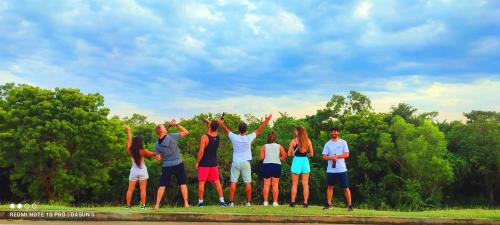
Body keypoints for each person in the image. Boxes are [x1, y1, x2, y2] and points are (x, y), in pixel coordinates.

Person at [218, 114, 272, 207]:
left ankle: (231, 202)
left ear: (238, 129)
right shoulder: (248, 137)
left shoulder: (234, 137)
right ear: (246, 130)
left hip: (236, 162)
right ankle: (248, 202)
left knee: (233, 182)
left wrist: (222, 123)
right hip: (246, 162)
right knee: (247, 182)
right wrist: (266, 120)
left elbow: (226, 130)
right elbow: (259, 129)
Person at [153, 120, 190, 209]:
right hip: (178, 163)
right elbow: (186, 132)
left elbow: (158, 158)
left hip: (166, 165)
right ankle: (186, 204)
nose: (165, 128)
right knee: (183, 183)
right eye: (163, 127)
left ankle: (157, 205)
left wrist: (159, 154)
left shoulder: (157, 145)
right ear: (161, 131)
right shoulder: (172, 136)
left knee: (162, 185)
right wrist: (176, 124)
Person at [123, 125, 161, 209]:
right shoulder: (143, 151)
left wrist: (129, 130)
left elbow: (129, 140)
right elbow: (154, 153)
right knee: (143, 189)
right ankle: (143, 206)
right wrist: (158, 154)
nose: (143, 142)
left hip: (134, 171)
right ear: (140, 143)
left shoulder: (130, 149)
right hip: (142, 170)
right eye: (142, 141)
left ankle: (127, 205)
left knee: (130, 189)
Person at [195, 119, 226, 207]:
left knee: (202, 183)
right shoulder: (218, 136)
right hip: (213, 163)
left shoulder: (204, 137)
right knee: (217, 182)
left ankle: (200, 203)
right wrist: (209, 122)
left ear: (210, 127)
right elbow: (213, 128)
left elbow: (201, 152)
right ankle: (222, 201)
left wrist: (197, 162)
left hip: (204, 163)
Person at [322, 127, 353, 211]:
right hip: (331, 170)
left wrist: (337, 156)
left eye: (335, 132)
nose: (333, 133)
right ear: (330, 133)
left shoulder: (343, 142)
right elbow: (324, 156)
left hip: (342, 169)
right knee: (330, 187)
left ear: (338, 133)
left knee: (345, 187)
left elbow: (347, 154)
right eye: (332, 132)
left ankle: (350, 205)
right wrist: (332, 158)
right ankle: (328, 204)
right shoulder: (327, 144)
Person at [287, 125, 314, 208]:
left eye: (295, 131)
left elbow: (289, 154)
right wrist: (307, 154)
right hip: (305, 161)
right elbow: (312, 154)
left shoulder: (293, 141)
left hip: (296, 161)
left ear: (298, 131)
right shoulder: (308, 141)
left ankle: (293, 202)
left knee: (294, 183)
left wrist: (292, 152)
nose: (295, 132)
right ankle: (305, 203)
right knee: (305, 183)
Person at [259, 131, 287, 206]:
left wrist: (268, 157)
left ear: (268, 138)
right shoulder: (279, 146)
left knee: (266, 184)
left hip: (267, 165)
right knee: (275, 185)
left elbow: (261, 157)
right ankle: (275, 202)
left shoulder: (264, 146)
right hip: (276, 165)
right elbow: (284, 155)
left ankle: (265, 202)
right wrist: (277, 159)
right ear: (275, 138)